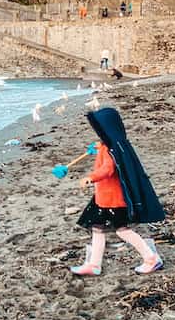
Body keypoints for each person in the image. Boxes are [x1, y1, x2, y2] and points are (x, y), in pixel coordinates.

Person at [69, 107, 165, 276]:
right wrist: (99, 147)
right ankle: (94, 264)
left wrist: (90, 178)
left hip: (113, 200)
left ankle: (151, 258)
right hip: (104, 199)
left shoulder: (111, 149)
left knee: (123, 231)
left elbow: (107, 169)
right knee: (97, 228)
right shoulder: (117, 144)